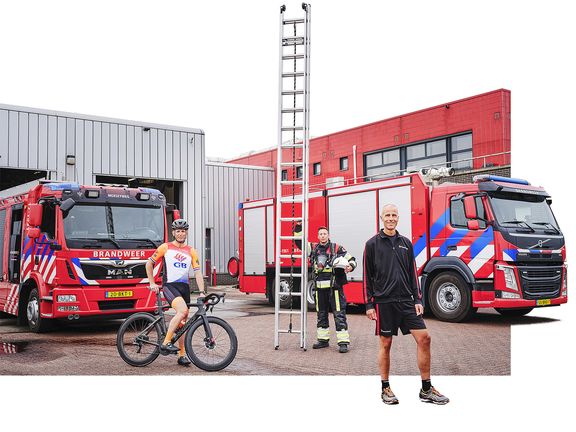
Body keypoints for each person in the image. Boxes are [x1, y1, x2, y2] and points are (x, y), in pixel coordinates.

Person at [363, 204, 449, 405]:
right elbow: (368, 276)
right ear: (381, 218)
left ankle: (426, 389)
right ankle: (385, 388)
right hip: (384, 302)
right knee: (386, 344)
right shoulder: (371, 244)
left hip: (407, 302)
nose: (391, 218)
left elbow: (413, 273)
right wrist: (368, 304)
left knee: (424, 338)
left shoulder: (406, 243)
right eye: (387, 215)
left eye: (394, 215)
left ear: (398, 218)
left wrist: (418, 299)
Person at [145, 218, 206, 367]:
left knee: (183, 324)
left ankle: (181, 355)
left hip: (184, 289)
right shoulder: (165, 247)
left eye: (183, 231)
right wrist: (152, 282)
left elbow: (198, 273)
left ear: (186, 233)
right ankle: (166, 342)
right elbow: (149, 263)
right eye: (178, 231)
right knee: (182, 310)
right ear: (173, 232)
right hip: (170, 287)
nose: (180, 233)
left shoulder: (191, 251)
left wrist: (202, 292)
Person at [306, 226, 356, 353]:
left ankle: (343, 342)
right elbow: (299, 243)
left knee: (339, 314)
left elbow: (351, 259)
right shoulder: (313, 248)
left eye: (325, 233)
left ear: (328, 235)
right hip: (319, 289)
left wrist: (350, 266)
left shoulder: (336, 248)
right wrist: (299, 228)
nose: (323, 236)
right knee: (321, 314)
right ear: (318, 236)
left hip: (335, 288)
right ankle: (323, 340)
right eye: (320, 234)